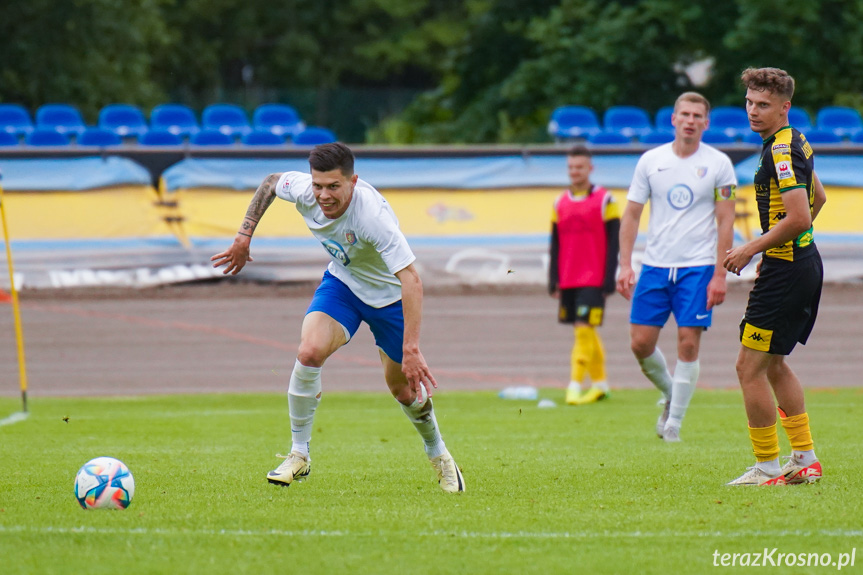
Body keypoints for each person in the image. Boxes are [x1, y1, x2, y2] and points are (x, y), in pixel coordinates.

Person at [210, 142, 465, 493]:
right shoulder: (304, 191)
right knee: (309, 352)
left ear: (353, 181)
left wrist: (412, 348)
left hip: (390, 299)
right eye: (318, 186)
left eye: (333, 187)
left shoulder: (371, 216)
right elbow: (270, 182)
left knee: (403, 390)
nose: (323, 196)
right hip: (344, 285)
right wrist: (243, 236)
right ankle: (299, 455)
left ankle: (439, 455)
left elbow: (412, 280)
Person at [723, 67, 827, 486]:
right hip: (800, 263)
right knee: (774, 364)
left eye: (763, 104)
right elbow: (819, 198)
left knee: (748, 367)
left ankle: (767, 465)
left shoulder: (780, 152)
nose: (753, 111)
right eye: (749, 102)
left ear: (785, 107)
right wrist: (782, 247)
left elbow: (800, 214)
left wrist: (753, 247)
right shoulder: (794, 139)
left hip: (788, 271)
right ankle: (804, 459)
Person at [617, 92, 737, 442]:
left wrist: (720, 274)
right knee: (640, 343)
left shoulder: (719, 164)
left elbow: (726, 221)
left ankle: (674, 426)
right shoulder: (650, 161)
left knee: (688, 343)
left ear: (706, 123)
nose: (690, 120)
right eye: (684, 114)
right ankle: (672, 392)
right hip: (655, 265)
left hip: (697, 268)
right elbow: (632, 214)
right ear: (673, 119)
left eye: (697, 115)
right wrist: (625, 265)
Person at [548, 145, 620, 405]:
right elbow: (555, 243)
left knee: (582, 330)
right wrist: (553, 279)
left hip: (593, 278)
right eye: (570, 167)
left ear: (591, 168)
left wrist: (610, 277)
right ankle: (600, 385)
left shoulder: (605, 200)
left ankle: (574, 386)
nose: (574, 172)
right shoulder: (560, 202)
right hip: (568, 278)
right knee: (587, 331)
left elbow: (614, 243)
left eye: (579, 167)